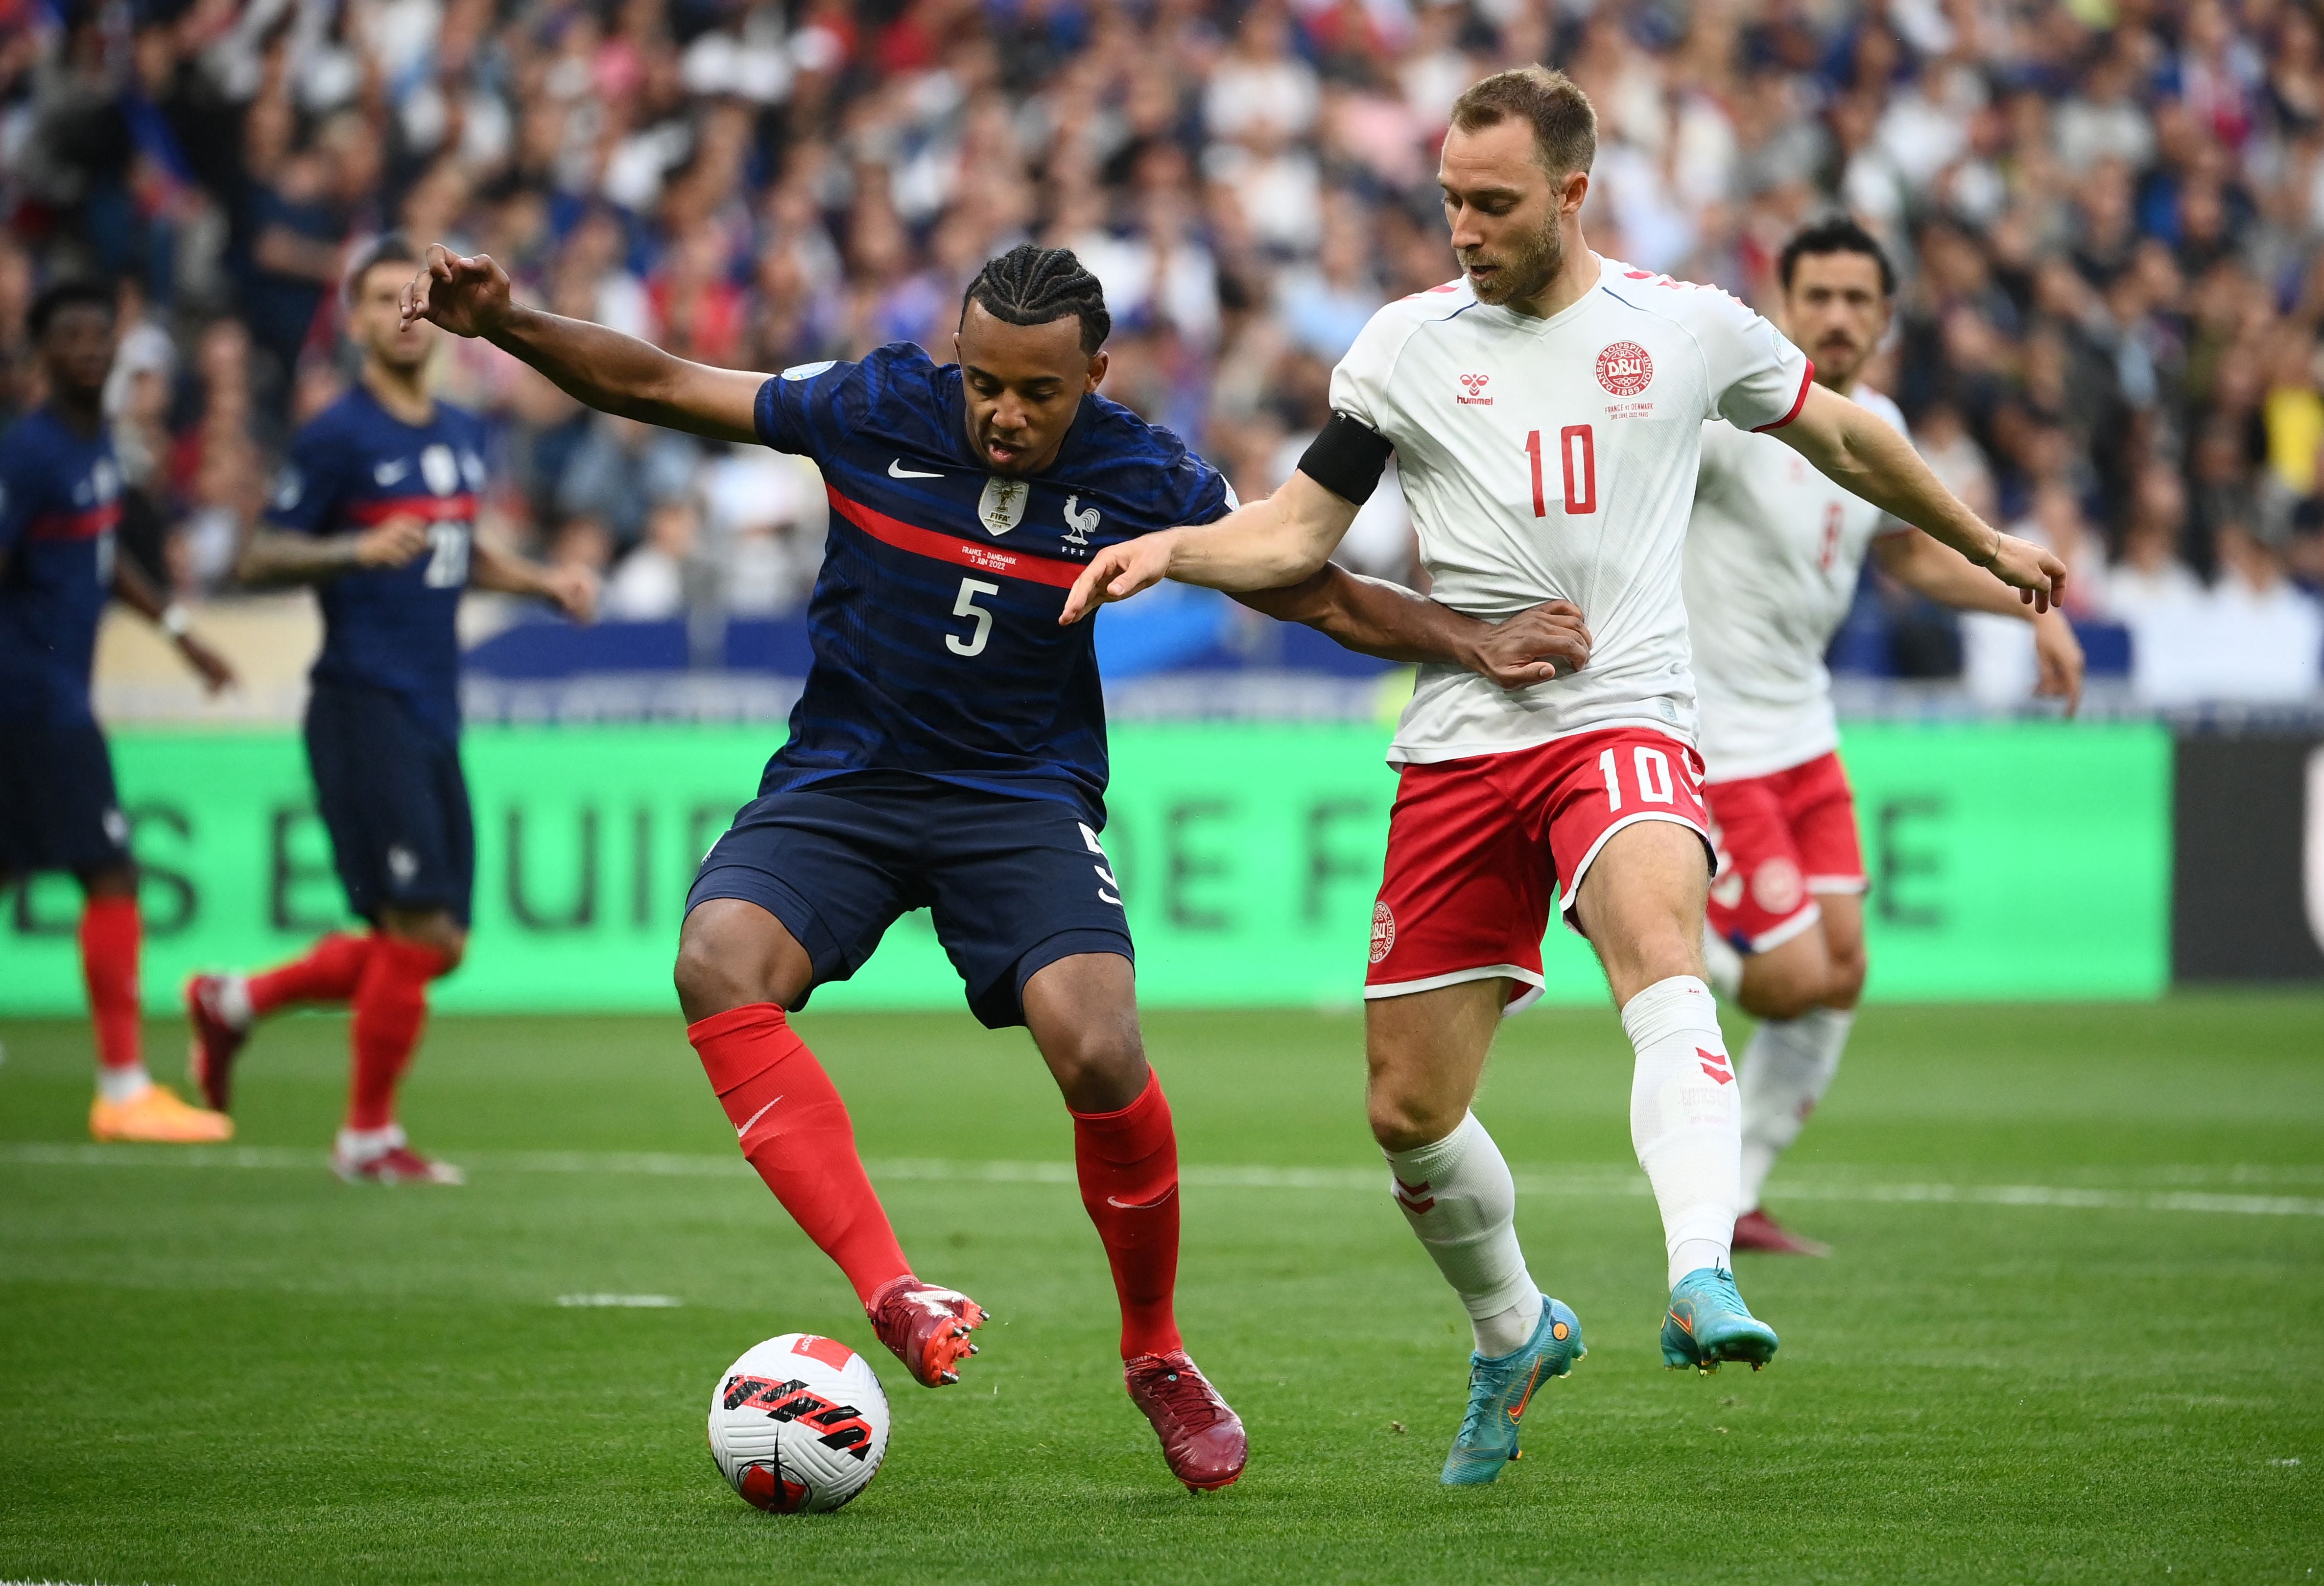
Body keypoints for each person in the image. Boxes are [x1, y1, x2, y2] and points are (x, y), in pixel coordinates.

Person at [395, 238, 1590, 1492]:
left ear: (1096, 378)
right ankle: (894, 1290)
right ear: (954, 360)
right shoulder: (874, 404)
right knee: (716, 960)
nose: (1005, 413)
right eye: (984, 384)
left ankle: (1157, 1354)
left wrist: (1468, 636)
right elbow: (663, 383)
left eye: (1040, 392)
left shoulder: (1144, 472)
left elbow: (1313, 590)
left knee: (1100, 1042)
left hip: (1018, 798)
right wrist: (509, 323)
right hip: (847, 781)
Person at [1061, 68, 2066, 1487]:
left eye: (1494, 202)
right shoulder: (1404, 345)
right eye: (1451, 201)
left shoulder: (1686, 327)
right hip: (1465, 740)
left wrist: (1989, 543)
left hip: (1628, 712)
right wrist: (1176, 549)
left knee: (1664, 955)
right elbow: (1297, 533)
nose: (1464, 227)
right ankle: (1514, 1328)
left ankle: (1702, 1269)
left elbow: (1847, 436)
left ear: (1572, 194)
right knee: (1408, 1110)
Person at [1682, 218, 2086, 1258]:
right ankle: (1654, 930)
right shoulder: (1733, 418)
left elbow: (1906, 558)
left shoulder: (1880, 423)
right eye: (1818, 295)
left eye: (1859, 300)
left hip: (1802, 730)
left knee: (1844, 966)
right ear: (1781, 301)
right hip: (1712, 739)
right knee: (1787, 976)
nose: (1838, 317)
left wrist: (2026, 603)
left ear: (1886, 317)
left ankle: (1739, 1194)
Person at [184, 237, 598, 1185]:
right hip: (361, 700)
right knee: (416, 929)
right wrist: (350, 553)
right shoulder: (339, 435)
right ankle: (367, 1138)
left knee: (436, 941)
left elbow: (460, 548)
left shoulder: (458, 430)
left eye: (406, 294)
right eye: (377, 299)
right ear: (357, 322)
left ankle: (235, 1002)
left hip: (432, 706)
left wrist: (542, 583)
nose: (399, 313)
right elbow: (257, 558)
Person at [0, 279, 239, 1143]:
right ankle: (123, 1086)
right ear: (40, 351)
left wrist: (181, 631)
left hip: (50, 693)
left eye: (101, 335)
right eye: (70, 336)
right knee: (111, 873)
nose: (90, 349)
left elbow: (101, 559)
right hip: (34, 699)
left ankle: (123, 1084)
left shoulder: (92, 443)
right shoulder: (27, 456)